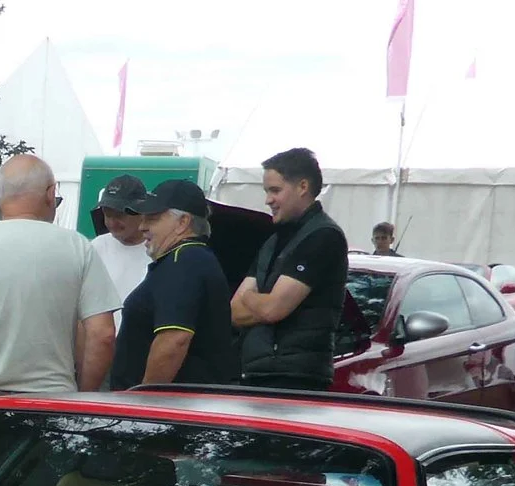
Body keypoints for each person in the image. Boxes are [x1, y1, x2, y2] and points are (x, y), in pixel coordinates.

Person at [0, 153, 119, 402]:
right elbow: (102, 335)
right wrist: (82, 396)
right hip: (53, 402)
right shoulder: (78, 248)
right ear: (50, 194)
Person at [231, 146, 347, 390]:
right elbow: (234, 312)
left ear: (303, 187)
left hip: (297, 379)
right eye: (266, 191)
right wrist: (264, 305)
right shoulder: (273, 241)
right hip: (257, 373)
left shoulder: (324, 236)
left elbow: (273, 309)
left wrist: (251, 298)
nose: (268, 200)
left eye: (275, 190)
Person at [109, 179, 239, 390]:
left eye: (152, 219)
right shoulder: (185, 259)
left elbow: (175, 338)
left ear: (183, 222)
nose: (142, 227)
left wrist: (144, 400)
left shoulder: (185, 260)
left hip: (170, 408)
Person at [88, 175, 152, 328]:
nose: (111, 222)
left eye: (119, 215)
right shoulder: (96, 247)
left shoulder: (157, 251)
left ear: (141, 212)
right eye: (107, 214)